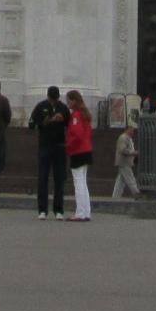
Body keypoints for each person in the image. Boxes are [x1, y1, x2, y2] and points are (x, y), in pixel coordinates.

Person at [29, 85, 71, 219]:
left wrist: (62, 119)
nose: (53, 102)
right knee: (43, 177)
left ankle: (59, 210)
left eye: (55, 99)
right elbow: (31, 124)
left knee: (59, 178)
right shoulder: (41, 106)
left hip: (59, 146)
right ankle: (42, 210)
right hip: (45, 145)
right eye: (52, 99)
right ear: (48, 97)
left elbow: (70, 126)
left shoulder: (63, 108)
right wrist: (44, 122)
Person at [64, 90, 95, 221]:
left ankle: (80, 212)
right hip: (86, 150)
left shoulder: (76, 115)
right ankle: (86, 211)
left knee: (78, 182)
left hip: (78, 151)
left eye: (68, 100)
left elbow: (77, 134)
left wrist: (68, 145)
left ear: (74, 100)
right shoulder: (84, 114)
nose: (67, 103)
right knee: (83, 181)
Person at [112, 122, 140, 199]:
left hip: (125, 162)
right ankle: (136, 193)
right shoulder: (123, 138)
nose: (133, 132)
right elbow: (122, 150)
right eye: (131, 130)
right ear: (127, 129)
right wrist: (133, 153)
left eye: (133, 130)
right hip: (124, 162)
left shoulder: (128, 138)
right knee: (130, 179)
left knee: (120, 181)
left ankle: (115, 197)